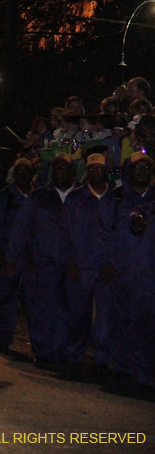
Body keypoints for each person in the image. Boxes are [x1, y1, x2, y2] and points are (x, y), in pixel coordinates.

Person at [6, 153, 75, 371]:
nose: (60, 172)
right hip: (42, 262)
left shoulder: (81, 196)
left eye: (65, 168)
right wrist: (12, 256)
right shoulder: (38, 197)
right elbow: (21, 228)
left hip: (74, 264)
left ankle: (64, 352)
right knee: (42, 310)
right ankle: (43, 351)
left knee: (68, 310)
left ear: (72, 171)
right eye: (57, 168)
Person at [98, 151, 155, 391]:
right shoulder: (116, 198)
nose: (142, 171)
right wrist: (106, 263)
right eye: (137, 167)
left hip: (151, 275)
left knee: (149, 324)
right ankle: (124, 369)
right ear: (128, 171)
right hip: (123, 272)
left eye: (147, 167)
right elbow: (101, 234)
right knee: (121, 321)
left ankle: (147, 373)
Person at [61, 152, 111, 380]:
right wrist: (69, 260)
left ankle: (102, 360)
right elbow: (64, 232)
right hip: (80, 265)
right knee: (78, 315)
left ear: (106, 170)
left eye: (98, 168)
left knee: (105, 317)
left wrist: (113, 263)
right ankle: (74, 357)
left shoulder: (115, 198)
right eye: (91, 169)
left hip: (106, 268)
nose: (94, 172)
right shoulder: (76, 198)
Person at [0, 158, 34, 355]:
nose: (22, 175)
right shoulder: (5, 197)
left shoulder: (39, 195)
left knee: (35, 301)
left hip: (34, 257)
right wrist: (0, 253)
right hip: (9, 256)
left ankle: (39, 343)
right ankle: (3, 338)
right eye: (19, 171)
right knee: (5, 299)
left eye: (26, 171)